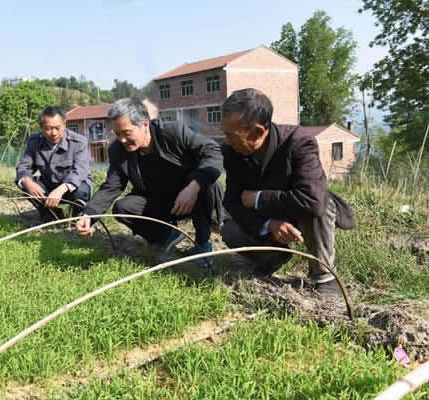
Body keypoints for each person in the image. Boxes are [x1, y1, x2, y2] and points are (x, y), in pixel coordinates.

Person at [219, 88, 354, 296]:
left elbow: (311, 199)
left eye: (231, 135)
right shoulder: (232, 151)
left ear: (257, 132)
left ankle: (324, 277)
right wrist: (269, 225)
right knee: (230, 231)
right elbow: (232, 200)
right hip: (269, 216)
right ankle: (271, 257)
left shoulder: (299, 142)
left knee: (322, 204)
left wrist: (258, 199)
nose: (226, 141)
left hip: (301, 212)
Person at [76, 97, 224, 265]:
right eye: (117, 134)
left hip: (192, 197)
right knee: (123, 207)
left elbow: (213, 151)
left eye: (127, 133)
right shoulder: (118, 150)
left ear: (145, 124)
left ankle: (202, 244)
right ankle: (167, 235)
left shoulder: (173, 132)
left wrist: (194, 186)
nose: (122, 140)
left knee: (207, 180)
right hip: (158, 201)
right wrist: (89, 215)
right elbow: (111, 186)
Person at [15, 106, 93, 222]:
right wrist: (27, 182)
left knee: (81, 190)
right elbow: (24, 167)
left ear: (65, 124)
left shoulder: (79, 142)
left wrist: (61, 189)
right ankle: (52, 215)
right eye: (48, 128)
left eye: (57, 128)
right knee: (27, 185)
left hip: (72, 187)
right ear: (41, 127)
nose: (54, 133)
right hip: (49, 186)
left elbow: (79, 171)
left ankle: (77, 214)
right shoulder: (34, 142)